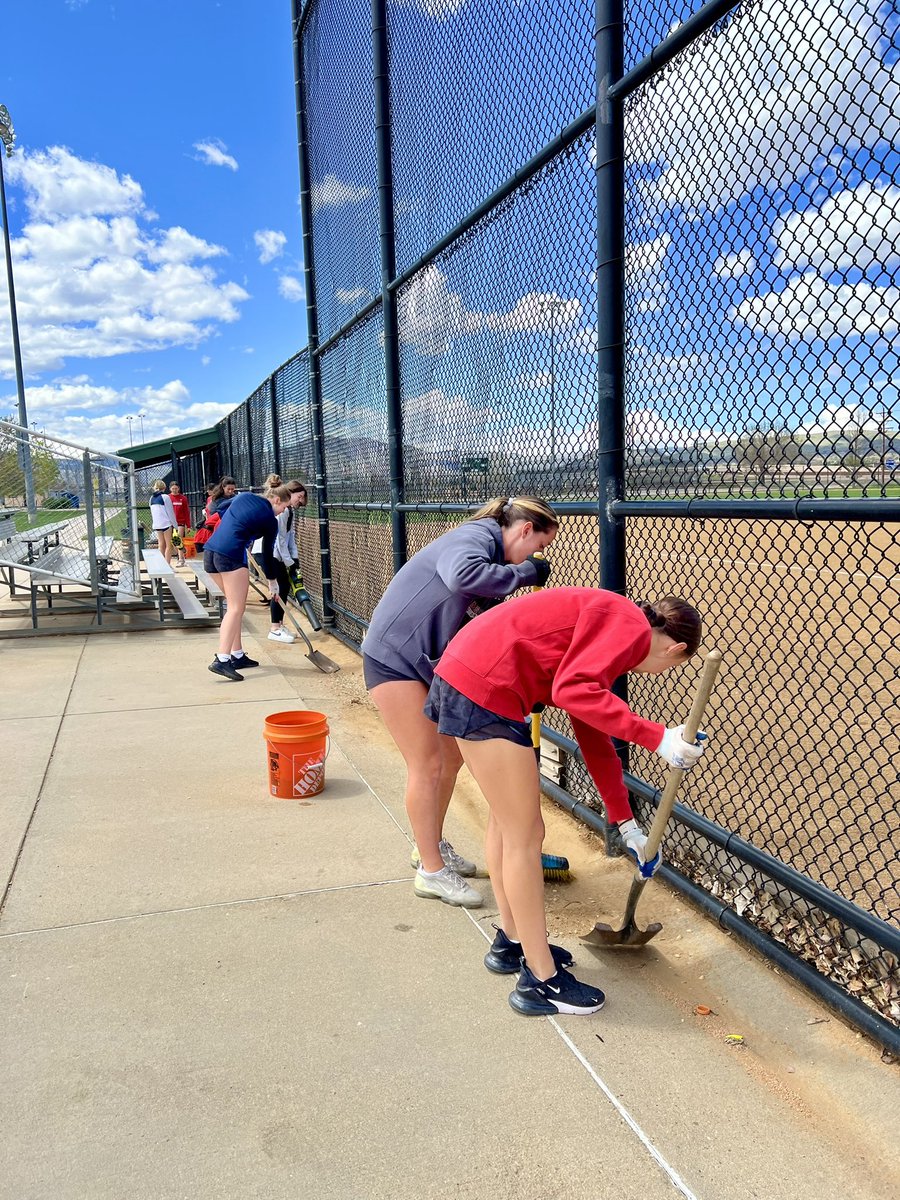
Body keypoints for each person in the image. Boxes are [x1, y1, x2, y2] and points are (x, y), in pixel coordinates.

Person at [425, 587, 707, 1016]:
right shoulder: (629, 628)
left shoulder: (611, 629)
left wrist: (627, 825)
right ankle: (541, 981)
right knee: (525, 833)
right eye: (671, 666)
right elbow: (575, 692)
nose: (658, 671)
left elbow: (594, 735)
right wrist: (657, 737)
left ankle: (512, 943)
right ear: (677, 648)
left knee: (507, 824)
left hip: (470, 678)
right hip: (485, 687)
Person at [361, 496, 558, 908]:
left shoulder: (489, 551)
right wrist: (524, 572)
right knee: (428, 763)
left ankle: (428, 844)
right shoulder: (475, 537)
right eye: (538, 546)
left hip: (422, 663)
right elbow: (462, 576)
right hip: (392, 658)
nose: (537, 555)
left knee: (450, 758)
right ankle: (431, 871)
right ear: (524, 530)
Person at [204, 485, 289, 681]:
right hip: (231, 555)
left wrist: (240, 528)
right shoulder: (270, 521)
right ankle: (222, 659)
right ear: (276, 500)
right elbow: (268, 555)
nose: (283, 511)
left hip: (211, 552)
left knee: (235, 608)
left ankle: (237, 655)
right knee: (235, 608)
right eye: (284, 507)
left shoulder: (244, 497)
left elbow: (220, 508)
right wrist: (272, 582)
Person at [268, 479, 309, 643]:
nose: (300, 500)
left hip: (279, 554)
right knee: (280, 587)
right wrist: (288, 562)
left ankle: (279, 624)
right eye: (299, 496)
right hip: (272, 554)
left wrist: (295, 559)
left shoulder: (289, 512)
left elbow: (290, 536)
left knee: (284, 587)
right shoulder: (282, 511)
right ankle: (274, 628)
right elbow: (279, 540)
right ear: (289, 493)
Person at [149, 480, 178, 565]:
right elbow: (170, 512)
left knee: (161, 544)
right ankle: (167, 566)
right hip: (166, 524)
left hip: (157, 524)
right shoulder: (165, 497)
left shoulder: (151, 498)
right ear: (164, 488)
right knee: (169, 545)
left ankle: (161, 565)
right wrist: (175, 525)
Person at [168, 482, 191, 568]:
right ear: (170, 489)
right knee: (170, 542)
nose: (174, 490)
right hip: (170, 522)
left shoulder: (183, 498)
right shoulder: (168, 498)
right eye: (173, 489)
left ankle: (181, 559)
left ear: (178, 488)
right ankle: (169, 559)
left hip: (180, 522)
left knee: (178, 540)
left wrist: (188, 525)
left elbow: (186, 512)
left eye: (176, 488)